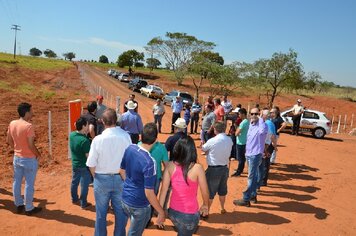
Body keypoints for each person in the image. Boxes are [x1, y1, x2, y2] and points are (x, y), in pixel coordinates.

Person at [86, 108, 132, 236]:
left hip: (101, 179)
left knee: (101, 214)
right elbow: (130, 159)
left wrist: (96, 177)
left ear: (102, 122)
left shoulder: (97, 140)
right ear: (116, 121)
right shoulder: (126, 136)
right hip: (121, 180)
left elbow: (91, 164)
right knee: (121, 214)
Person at [120, 123, 166, 235]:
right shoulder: (150, 163)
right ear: (155, 140)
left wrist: (131, 186)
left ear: (141, 136)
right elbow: (149, 192)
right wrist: (161, 212)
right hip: (139, 206)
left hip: (125, 199)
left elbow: (121, 170)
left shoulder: (130, 148)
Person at [159, 136, 209, 236]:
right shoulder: (197, 168)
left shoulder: (169, 166)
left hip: (172, 213)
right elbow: (205, 191)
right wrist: (206, 205)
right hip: (189, 215)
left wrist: (160, 212)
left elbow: (163, 191)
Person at [6, 102, 42, 215]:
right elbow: (31, 145)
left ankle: (18, 204)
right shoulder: (28, 126)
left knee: (16, 182)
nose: (32, 113)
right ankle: (29, 208)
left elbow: (9, 140)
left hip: (17, 157)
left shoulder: (12, 123)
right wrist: (38, 154)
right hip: (29, 159)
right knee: (29, 184)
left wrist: (17, 149)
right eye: (31, 111)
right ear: (26, 113)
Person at [233, 108, 267, 207]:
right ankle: (253, 196)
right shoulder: (251, 125)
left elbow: (261, 133)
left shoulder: (262, 125)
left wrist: (260, 118)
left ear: (259, 114)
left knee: (251, 177)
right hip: (249, 154)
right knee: (254, 175)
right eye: (252, 113)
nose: (254, 115)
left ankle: (246, 198)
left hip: (255, 155)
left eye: (256, 113)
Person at [201, 122, 233, 214]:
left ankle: (206, 211)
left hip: (214, 169)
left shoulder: (213, 140)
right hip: (225, 168)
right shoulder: (229, 140)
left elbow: (203, 148)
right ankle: (222, 208)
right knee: (222, 190)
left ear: (215, 130)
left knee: (210, 192)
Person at [69, 116, 91, 209]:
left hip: (75, 164)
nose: (88, 126)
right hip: (83, 166)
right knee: (84, 185)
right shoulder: (85, 141)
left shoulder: (72, 135)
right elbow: (88, 157)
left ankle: (74, 199)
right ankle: (83, 203)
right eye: (87, 125)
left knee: (74, 182)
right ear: (83, 126)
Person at [257, 109, 277, 189]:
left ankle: (263, 181)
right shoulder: (268, 122)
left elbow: (272, 136)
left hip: (267, 146)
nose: (260, 115)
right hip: (266, 145)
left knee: (264, 164)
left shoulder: (268, 123)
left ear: (265, 115)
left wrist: (274, 146)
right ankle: (262, 180)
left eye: (261, 114)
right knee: (264, 164)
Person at [231, 108, 249, 177]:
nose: (238, 115)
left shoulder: (243, 122)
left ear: (243, 114)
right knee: (242, 158)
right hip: (244, 141)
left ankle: (239, 171)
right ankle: (240, 169)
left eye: (239, 114)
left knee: (240, 158)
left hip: (241, 142)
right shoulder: (247, 122)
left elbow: (236, 133)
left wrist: (236, 128)